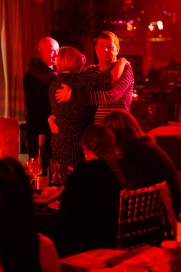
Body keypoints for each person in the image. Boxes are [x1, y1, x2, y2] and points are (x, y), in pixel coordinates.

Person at [60, 123, 143, 254]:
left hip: (96, 249)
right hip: (133, 247)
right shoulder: (132, 169)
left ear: (86, 149)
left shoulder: (84, 173)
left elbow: (67, 213)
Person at [48, 46, 127, 181]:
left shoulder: (53, 84)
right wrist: (123, 61)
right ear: (76, 61)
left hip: (58, 137)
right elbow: (112, 77)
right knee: (80, 178)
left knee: (61, 178)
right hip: (79, 137)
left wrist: (50, 118)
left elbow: (56, 110)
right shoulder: (83, 81)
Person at [103, 109, 181, 216]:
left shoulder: (134, 153)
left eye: (108, 136)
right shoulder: (145, 146)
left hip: (162, 214)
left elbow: (129, 192)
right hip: (171, 206)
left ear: (117, 134)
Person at [55, 31, 134, 122]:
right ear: (96, 49)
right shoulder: (89, 71)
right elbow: (65, 95)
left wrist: (73, 94)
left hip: (117, 126)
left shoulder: (124, 69)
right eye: (101, 45)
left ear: (117, 50)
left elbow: (110, 96)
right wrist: (54, 116)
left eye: (110, 46)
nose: (105, 49)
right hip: (91, 127)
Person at [23, 37, 59, 164]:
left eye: (58, 51)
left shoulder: (56, 71)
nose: (56, 55)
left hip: (51, 126)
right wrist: (55, 112)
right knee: (39, 165)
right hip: (39, 128)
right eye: (51, 51)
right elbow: (36, 104)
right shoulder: (32, 76)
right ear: (40, 52)